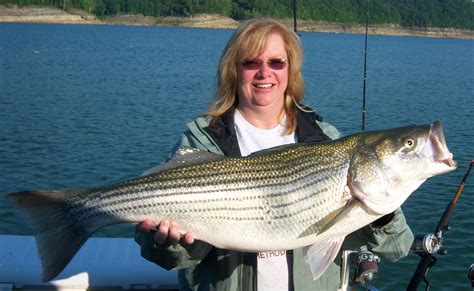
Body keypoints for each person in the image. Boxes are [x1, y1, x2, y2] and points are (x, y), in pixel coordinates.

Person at [135, 18, 413, 290]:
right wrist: (169, 243)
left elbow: (397, 248)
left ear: (291, 70)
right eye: (251, 62)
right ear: (233, 69)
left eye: (276, 62)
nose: (264, 72)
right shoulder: (202, 140)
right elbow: (166, 258)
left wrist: (382, 214)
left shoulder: (326, 140)